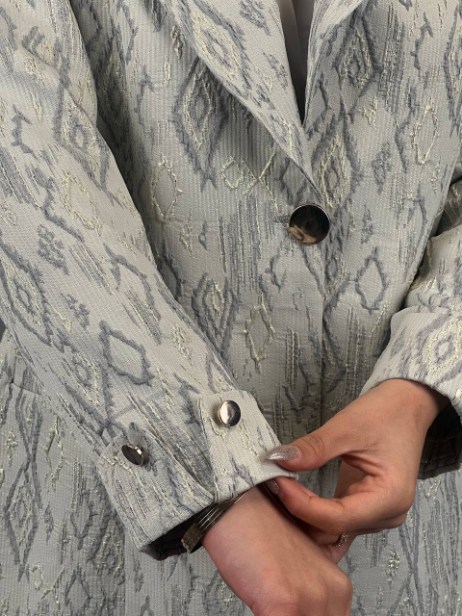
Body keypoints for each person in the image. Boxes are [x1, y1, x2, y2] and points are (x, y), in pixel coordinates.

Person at [0, 0, 461, 614]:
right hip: (106, 512)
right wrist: (209, 482)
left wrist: (422, 382)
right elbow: (25, 172)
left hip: (403, 514)